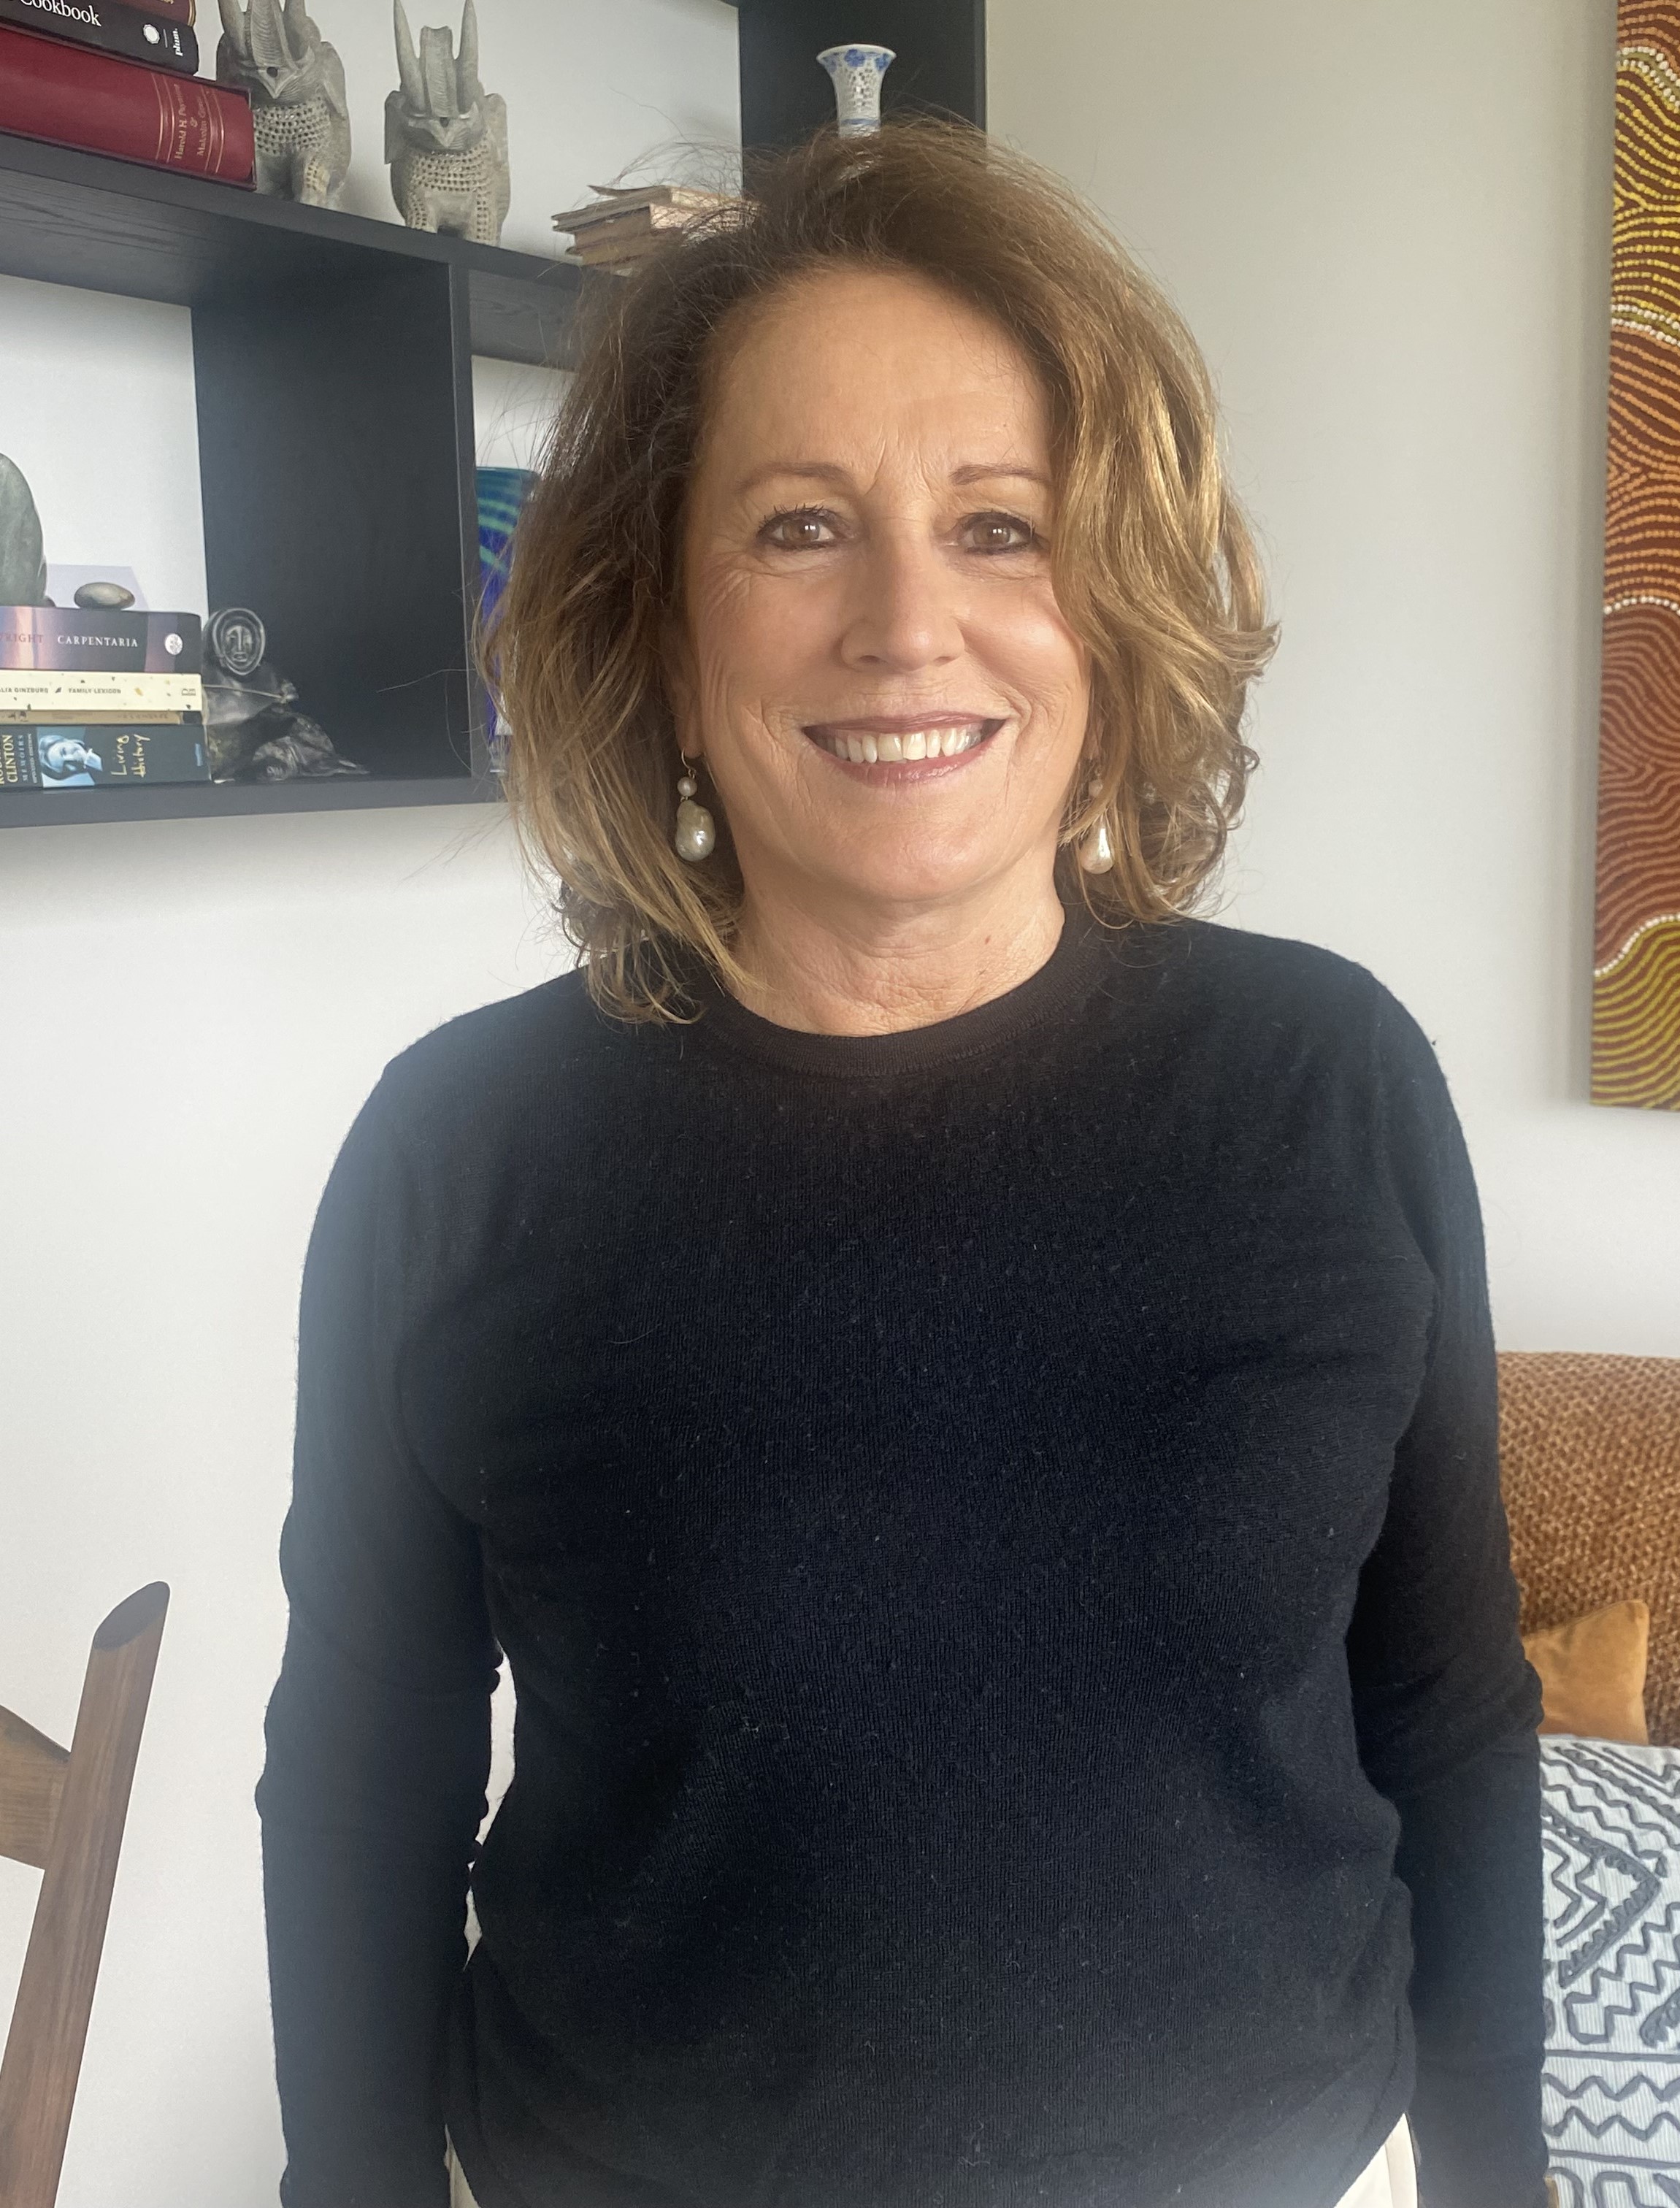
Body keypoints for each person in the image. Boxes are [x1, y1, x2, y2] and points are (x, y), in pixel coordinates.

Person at [258, 117, 1549, 2208]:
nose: (905, 627)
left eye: (1003, 528)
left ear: (1112, 617)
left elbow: (1451, 1711)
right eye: (795, 529)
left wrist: (1512, 2179)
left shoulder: (1330, 1087)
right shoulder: (459, 1157)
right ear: (665, 633)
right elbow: (361, 1778)